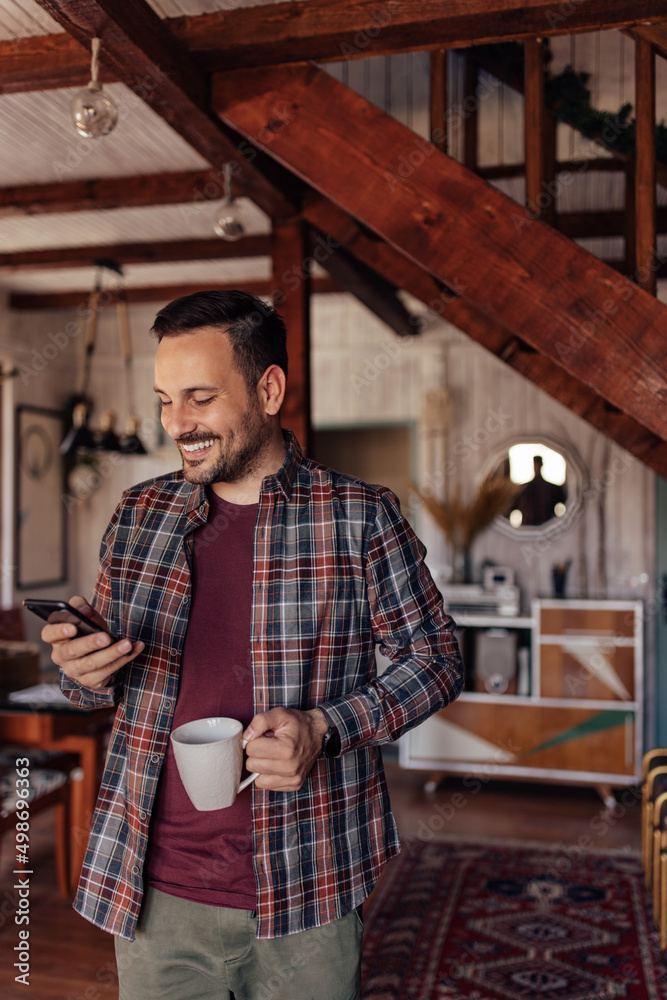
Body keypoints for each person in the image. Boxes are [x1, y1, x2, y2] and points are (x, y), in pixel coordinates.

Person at [43, 290, 463, 1000]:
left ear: (268, 389)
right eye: (165, 398)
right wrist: (79, 671)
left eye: (200, 397)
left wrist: (326, 727)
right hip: (152, 887)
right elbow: (100, 681)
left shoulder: (358, 516)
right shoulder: (137, 516)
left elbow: (437, 659)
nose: (177, 422)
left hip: (308, 880)